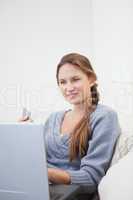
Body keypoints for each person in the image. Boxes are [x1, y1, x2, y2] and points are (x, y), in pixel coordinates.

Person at [20, 53, 121, 186]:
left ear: (91, 79)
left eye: (75, 79)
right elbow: (35, 158)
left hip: (70, 192)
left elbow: (91, 177)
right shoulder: (54, 118)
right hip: (37, 184)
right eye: (63, 82)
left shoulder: (105, 116)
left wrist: (43, 173)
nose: (69, 88)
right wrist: (22, 136)